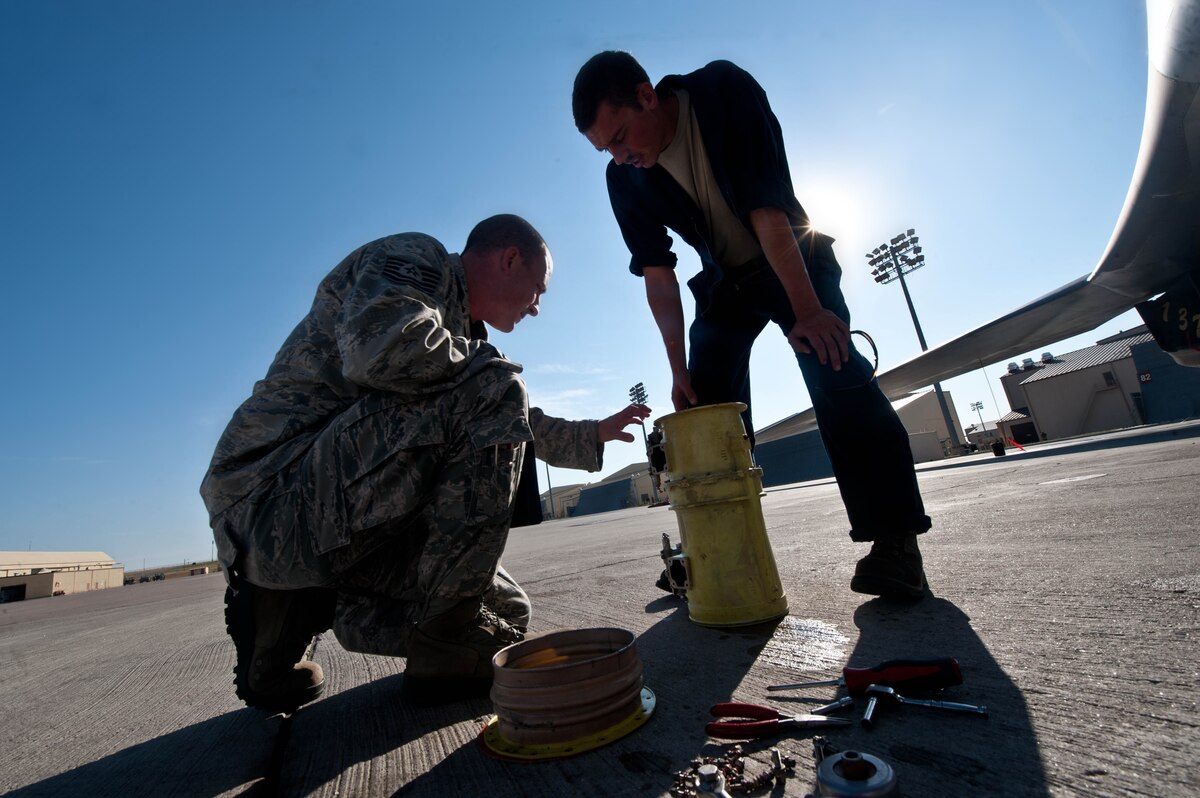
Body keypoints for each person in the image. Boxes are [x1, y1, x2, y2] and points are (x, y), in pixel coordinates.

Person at [200, 214, 650, 712]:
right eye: (538, 289)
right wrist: (494, 378)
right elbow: (378, 350)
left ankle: (296, 610)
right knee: (494, 382)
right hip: (271, 498)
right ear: (509, 259)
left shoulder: (452, 331)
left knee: (505, 613)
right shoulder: (421, 258)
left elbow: (484, 405)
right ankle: (443, 643)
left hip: (315, 522)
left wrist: (589, 435)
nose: (537, 307)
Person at [572, 52, 932, 600]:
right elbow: (658, 274)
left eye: (621, 137)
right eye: (607, 149)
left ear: (647, 95)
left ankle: (897, 548)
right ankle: (712, 552)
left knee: (834, 367)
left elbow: (769, 208)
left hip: (792, 256)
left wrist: (809, 312)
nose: (621, 157)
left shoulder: (722, 91)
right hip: (725, 281)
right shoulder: (624, 179)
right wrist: (677, 369)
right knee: (705, 413)